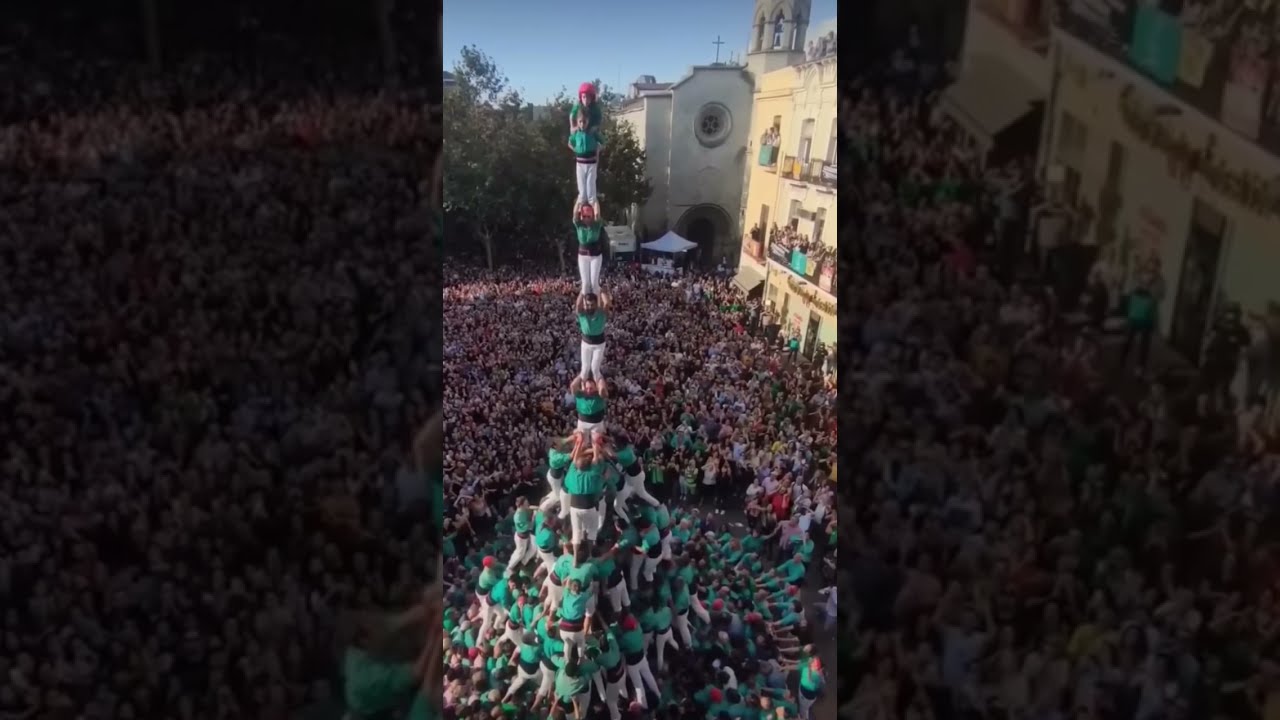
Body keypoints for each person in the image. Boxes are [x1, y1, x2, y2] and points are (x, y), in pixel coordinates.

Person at [563, 431, 607, 548]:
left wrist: (580, 443)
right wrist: (595, 444)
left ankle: (577, 552)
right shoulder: (594, 472)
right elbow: (597, 458)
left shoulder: (573, 473)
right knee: (593, 528)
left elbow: (576, 460)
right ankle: (590, 548)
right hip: (592, 504)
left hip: (575, 506)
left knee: (578, 531)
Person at [568, 112, 603, 210]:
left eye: (584, 122)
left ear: (588, 121)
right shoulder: (577, 133)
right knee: (582, 194)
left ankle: (596, 215)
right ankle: (576, 216)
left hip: (591, 163)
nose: (582, 124)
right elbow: (570, 143)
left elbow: (602, 142)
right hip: (580, 164)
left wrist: (598, 150)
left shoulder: (592, 133)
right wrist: (576, 150)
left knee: (591, 194)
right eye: (580, 122)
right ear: (577, 122)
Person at [575, 291, 610, 381]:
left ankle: (600, 387)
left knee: (595, 369)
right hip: (586, 344)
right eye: (588, 305)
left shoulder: (601, 314)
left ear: (596, 304)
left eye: (592, 305)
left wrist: (600, 291)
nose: (590, 307)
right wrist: (582, 291)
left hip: (599, 344)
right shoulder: (582, 314)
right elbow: (578, 304)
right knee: (585, 370)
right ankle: (580, 387)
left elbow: (606, 303)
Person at [573, 203, 605, 295]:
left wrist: (594, 201)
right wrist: (579, 201)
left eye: (588, 216)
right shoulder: (579, 225)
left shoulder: (596, 224)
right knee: (585, 284)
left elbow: (597, 214)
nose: (586, 218)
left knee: (594, 284)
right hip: (583, 256)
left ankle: (599, 302)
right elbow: (575, 214)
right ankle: (585, 303)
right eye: (584, 216)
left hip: (595, 256)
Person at [569, 376, 608, 443]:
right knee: (582, 443)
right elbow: (572, 386)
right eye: (587, 388)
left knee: (597, 443)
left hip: (597, 423)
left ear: (595, 387)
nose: (589, 391)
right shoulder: (580, 394)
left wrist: (599, 377)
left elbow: (602, 389)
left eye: (591, 388)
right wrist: (582, 375)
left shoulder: (599, 395)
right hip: (583, 422)